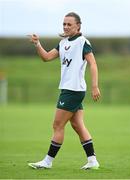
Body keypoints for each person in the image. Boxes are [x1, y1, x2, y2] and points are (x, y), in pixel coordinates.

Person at [28, 12, 101, 170]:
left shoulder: (82, 42)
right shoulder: (63, 43)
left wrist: (95, 86)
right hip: (69, 89)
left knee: (57, 125)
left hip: (73, 90)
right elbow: (46, 57)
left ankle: (47, 162)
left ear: (78, 26)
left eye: (69, 24)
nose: (66, 27)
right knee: (77, 125)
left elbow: (93, 64)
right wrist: (37, 44)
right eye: (64, 24)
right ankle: (92, 161)